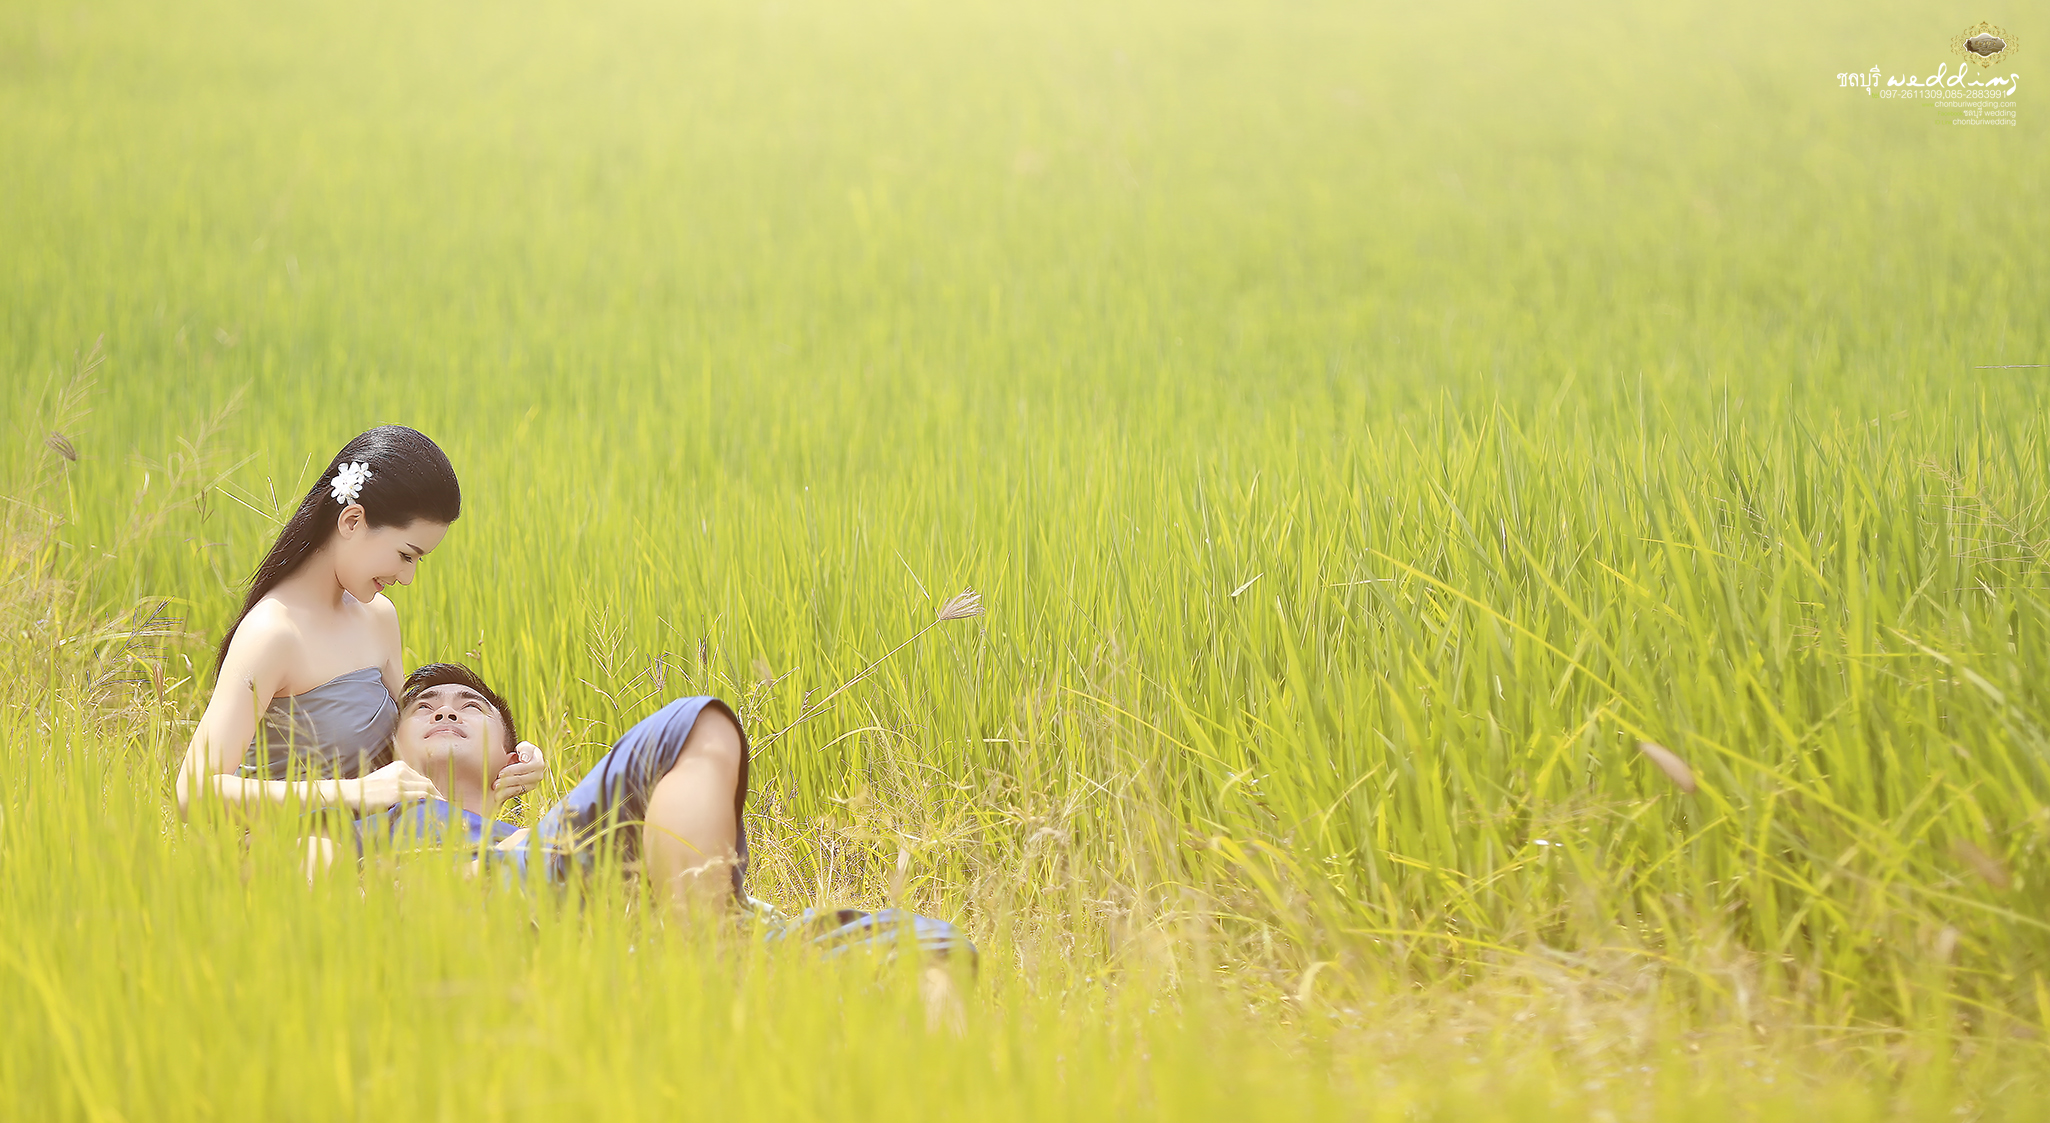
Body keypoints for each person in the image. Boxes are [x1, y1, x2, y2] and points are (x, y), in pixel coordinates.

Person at [174, 426, 547, 820]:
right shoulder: (273, 634)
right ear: (352, 521)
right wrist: (355, 792)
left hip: (378, 846)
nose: (408, 578)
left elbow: (406, 745)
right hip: (290, 855)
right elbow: (193, 793)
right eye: (406, 555)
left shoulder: (378, 617)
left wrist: (512, 758)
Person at [375, 661, 749, 910]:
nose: (445, 712)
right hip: (501, 885)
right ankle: (706, 950)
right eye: (424, 707)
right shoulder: (370, 825)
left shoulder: (541, 839)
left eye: (471, 707)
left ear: (511, 760)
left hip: (546, 875)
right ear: (391, 753)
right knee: (690, 724)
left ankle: (709, 934)